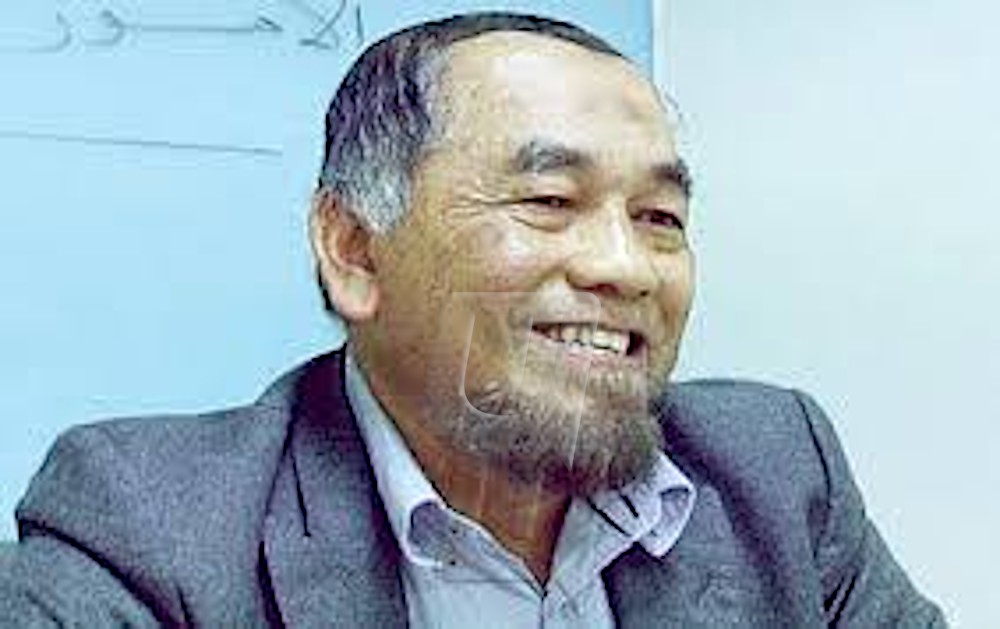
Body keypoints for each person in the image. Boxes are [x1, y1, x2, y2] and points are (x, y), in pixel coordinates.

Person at [0, 11, 945, 628]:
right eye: (549, 201)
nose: (624, 267)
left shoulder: (776, 472)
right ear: (355, 250)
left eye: (660, 218)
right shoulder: (147, 529)